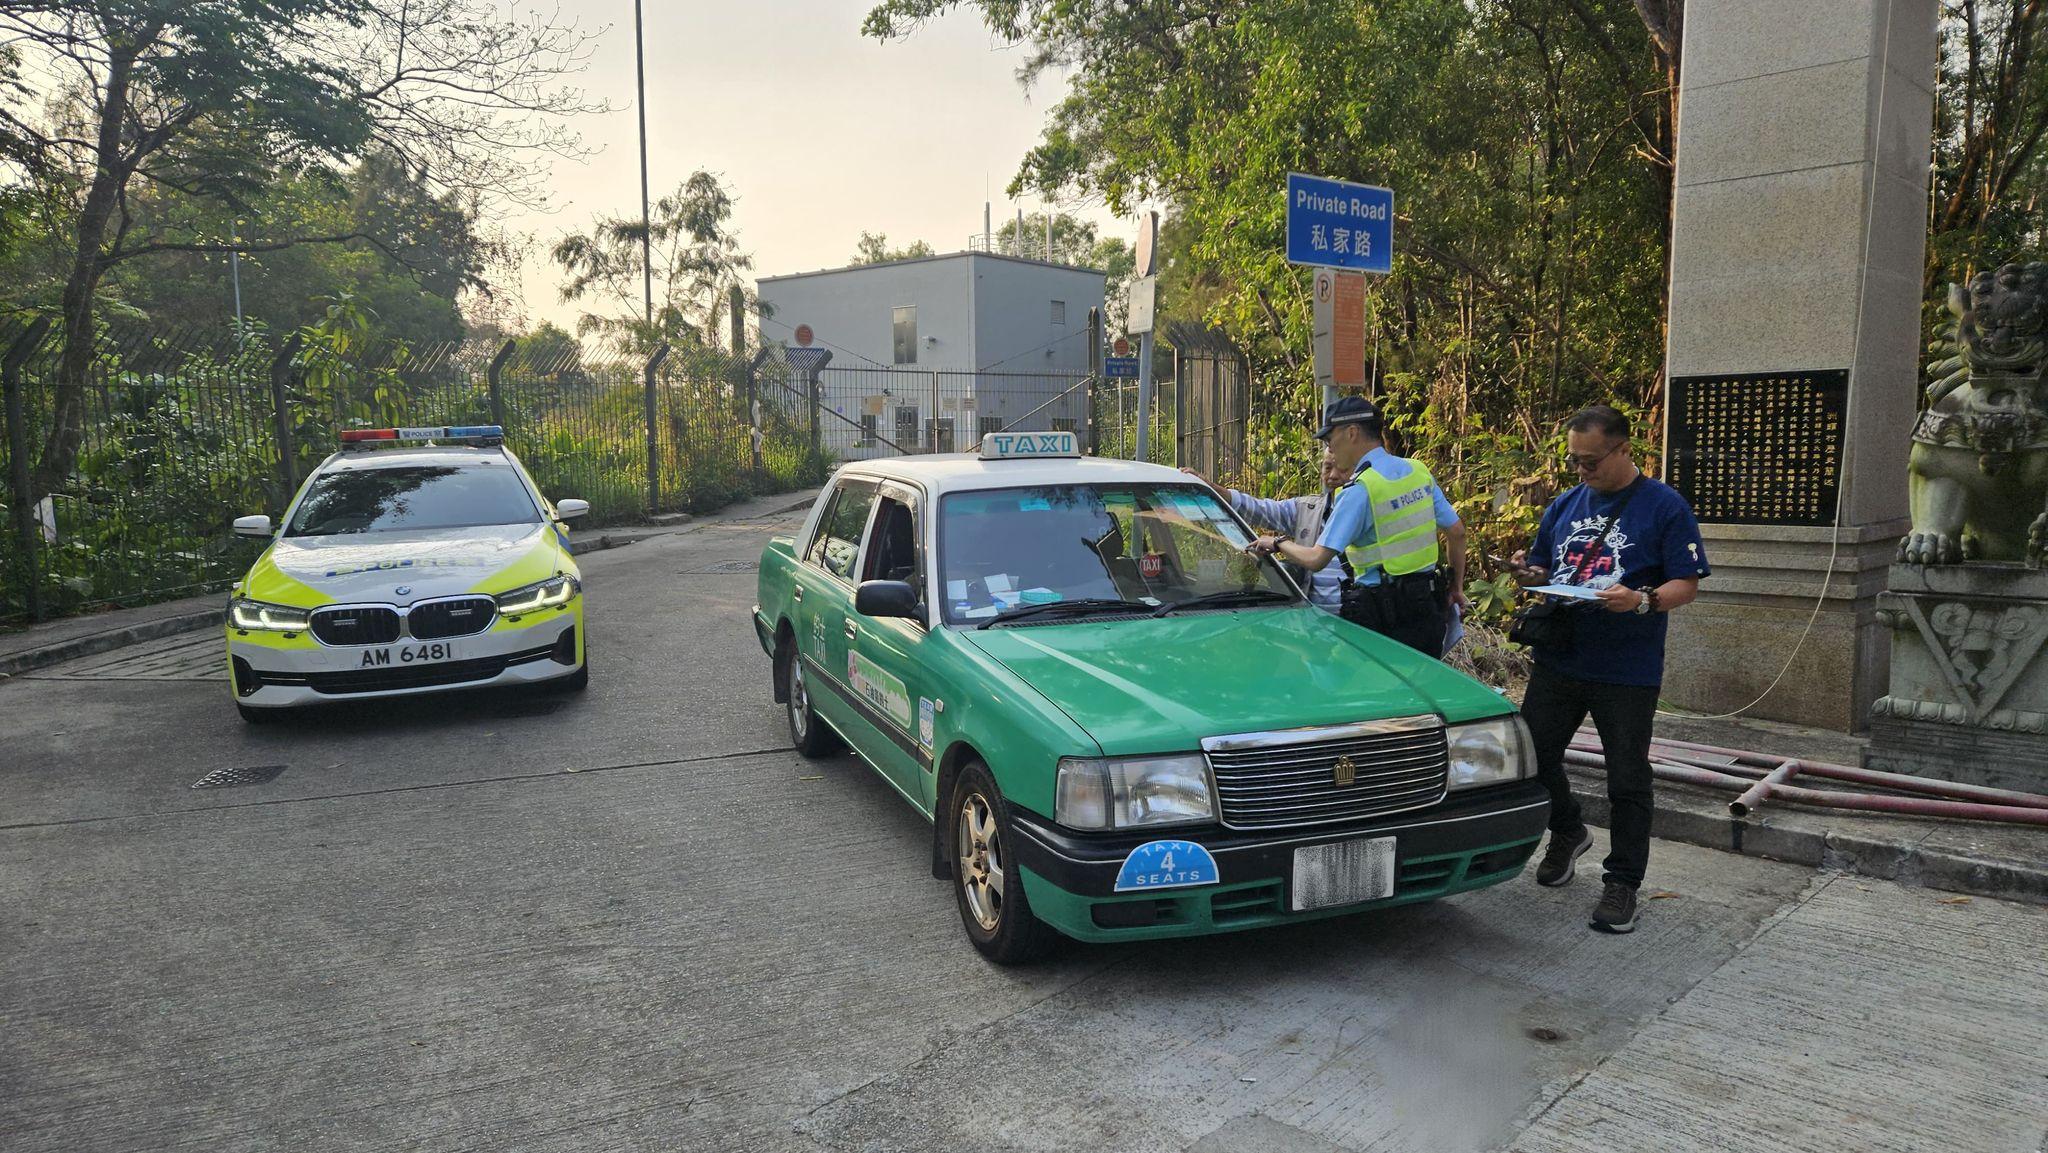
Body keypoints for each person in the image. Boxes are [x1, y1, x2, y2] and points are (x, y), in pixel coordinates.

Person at [1509, 404, 1709, 935]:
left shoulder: (1664, 506)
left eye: (1591, 461)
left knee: (1627, 777)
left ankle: (1622, 881)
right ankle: (1569, 830)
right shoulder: (1567, 503)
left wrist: (1641, 600)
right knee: (1532, 757)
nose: (1582, 470)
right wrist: (1528, 573)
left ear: (1624, 449)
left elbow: (1687, 584)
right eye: (1574, 461)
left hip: (1627, 667)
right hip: (1561, 657)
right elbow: (1547, 565)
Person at [1250, 396, 1466, 657]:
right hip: (1428, 610)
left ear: (1352, 433)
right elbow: (1457, 532)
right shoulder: (1418, 471)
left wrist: (1277, 543)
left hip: (1383, 617)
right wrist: (1456, 588)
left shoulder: (1360, 490)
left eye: (1330, 440)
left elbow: (1316, 559)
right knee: (1420, 681)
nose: (1330, 449)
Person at [1182, 449, 1351, 610]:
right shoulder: (1308, 510)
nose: (1333, 475)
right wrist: (1213, 489)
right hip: (1316, 619)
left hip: (1357, 620)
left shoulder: (1363, 509)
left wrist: (1279, 543)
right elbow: (1261, 510)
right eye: (1327, 467)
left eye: (1342, 468)